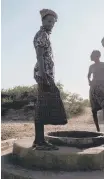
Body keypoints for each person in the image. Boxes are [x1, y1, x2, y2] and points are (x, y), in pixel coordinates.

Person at [33, 9, 67, 150]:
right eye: (49, 21)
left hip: (46, 74)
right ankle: (39, 142)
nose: (51, 24)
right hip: (44, 74)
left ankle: (39, 140)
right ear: (42, 21)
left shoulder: (46, 35)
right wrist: (43, 75)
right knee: (43, 106)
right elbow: (39, 56)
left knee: (44, 105)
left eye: (53, 22)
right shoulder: (42, 35)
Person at [88, 50, 104, 134]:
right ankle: (97, 130)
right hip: (92, 89)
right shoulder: (91, 66)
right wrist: (89, 81)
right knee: (94, 110)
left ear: (97, 56)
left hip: (101, 88)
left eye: (93, 55)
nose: (91, 57)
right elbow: (88, 75)